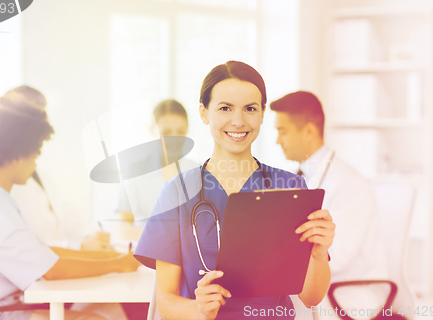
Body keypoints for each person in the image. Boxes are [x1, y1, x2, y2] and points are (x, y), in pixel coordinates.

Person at [133, 61, 336, 320]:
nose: (238, 121)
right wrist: (199, 308)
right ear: (204, 113)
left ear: (262, 114)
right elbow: (165, 301)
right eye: (225, 108)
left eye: (250, 109)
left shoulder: (290, 187)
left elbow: (311, 297)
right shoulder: (177, 193)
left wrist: (318, 253)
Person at [0, 98, 140, 320]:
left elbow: (43, 253)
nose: (35, 163)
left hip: (2, 306)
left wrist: (108, 257)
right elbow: (51, 270)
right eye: (35, 153)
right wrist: (119, 264)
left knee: (107, 308)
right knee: (96, 318)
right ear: (16, 155)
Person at [270, 91, 388, 318]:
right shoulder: (298, 177)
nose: (277, 141)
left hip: (349, 292)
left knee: (281, 300)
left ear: (309, 132)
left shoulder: (347, 183)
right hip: (321, 284)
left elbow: (337, 258)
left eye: (282, 131)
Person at [0, 85, 113, 251]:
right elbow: (24, 250)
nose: (43, 119)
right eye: (33, 113)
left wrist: (91, 237)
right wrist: (80, 247)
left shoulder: (39, 175)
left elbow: (63, 216)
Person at [115, 99, 198, 236]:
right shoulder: (134, 171)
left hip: (188, 254)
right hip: (146, 251)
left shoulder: (200, 172)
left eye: (181, 131)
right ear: (152, 130)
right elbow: (124, 226)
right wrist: (157, 240)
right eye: (166, 132)